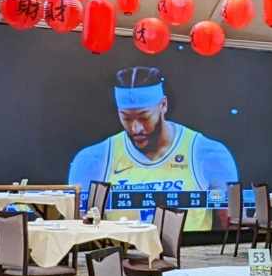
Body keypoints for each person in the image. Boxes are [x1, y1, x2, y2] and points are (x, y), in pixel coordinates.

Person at [68, 66, 238, 229]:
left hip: (191, 253)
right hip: (125, 254)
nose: (136, 128)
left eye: (144, 117)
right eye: (126, 118)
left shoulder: (208, 153)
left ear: (163, 105)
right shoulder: (93, 159)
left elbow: (226, 224)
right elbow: (82, 227)